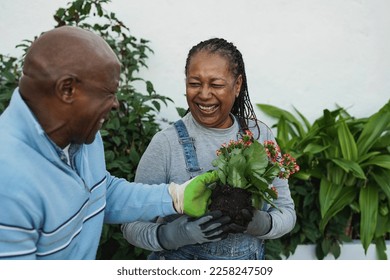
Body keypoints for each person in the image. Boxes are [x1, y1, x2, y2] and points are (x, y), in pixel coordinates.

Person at [0, 27, 232, 260]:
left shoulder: (81, 133)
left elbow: (100, 192)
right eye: (107, 93)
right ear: (67, 89)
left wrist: (175, 197)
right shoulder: (9, 181)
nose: (115, 105)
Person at [122, 38, 297, 260]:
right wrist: (171, 235)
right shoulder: (166, 144)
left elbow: (286, 212)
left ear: (237, 85)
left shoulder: (259, 136)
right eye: (195, 83)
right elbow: (131, 224)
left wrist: (262, 223)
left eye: (216, 85)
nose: (204, 94)